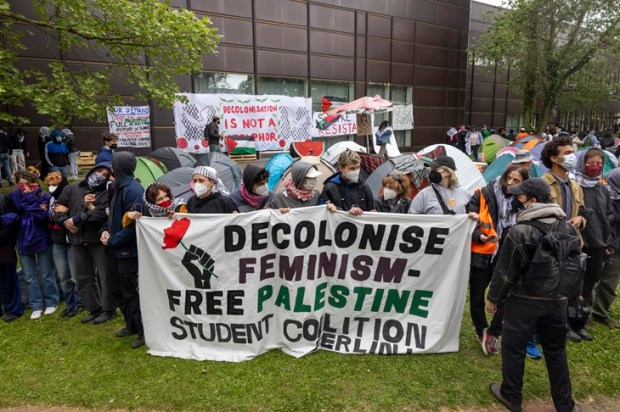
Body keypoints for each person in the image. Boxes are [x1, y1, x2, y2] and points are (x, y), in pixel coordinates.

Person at [486, 178, 580, 412]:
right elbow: (576, 264)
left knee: (514, 349)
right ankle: (565, 405)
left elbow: (506, 271)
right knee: (556, 351)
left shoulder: (520, 230)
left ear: (533, 200)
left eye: (520, 196)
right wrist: (574, 294)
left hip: (524, 301)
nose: (517, 200)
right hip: (558, 300)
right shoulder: (567, 227)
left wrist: (494, 299)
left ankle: (511, 396)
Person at [467, 165, 529, 356]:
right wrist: (480, 236)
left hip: (507, 256)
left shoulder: (524, 200)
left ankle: (493, 331)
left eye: (516, 181)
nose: (510, 183)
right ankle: (481, 330)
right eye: (508, 178)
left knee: (507, 295)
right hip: (482, 254)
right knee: (477, 295)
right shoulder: (483, 194)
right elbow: (469, 221)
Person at [54, 163, 114, 324]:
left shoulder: (107, 192)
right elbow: (58, 209)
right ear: (92, 171)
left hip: (97, 240)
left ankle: (109, 309)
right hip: (76, 240)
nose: (100, 176)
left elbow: (102, 215)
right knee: (82, 277)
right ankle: (94, 308)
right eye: (98, 171)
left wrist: (78, 218)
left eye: (105, 174)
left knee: (105, 276)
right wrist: (65, 222)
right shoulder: (72, 188)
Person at [100, 152, 145, 349]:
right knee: (117, 289)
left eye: (113, 164)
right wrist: (104, 231)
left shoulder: (133, 190)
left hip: (128, 251)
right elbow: (112, 217)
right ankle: (130, 324)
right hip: (115, 248)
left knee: (132, 292)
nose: (111, 167)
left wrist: (113, 240)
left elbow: (135, 225)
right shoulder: (117, 187)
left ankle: (142, 331)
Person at [568, 148, 613, 341]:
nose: (595, 167)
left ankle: (580, 322)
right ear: (582, 164)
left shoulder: (602, 189)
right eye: (591, 163)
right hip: (579, 243)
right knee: (573, 286)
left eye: (599, 164)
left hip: (598, 244)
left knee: (588, 286)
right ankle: (567, 322)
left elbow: (608, 215)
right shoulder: (574, 187)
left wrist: (607, 241)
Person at [6, 170, 59, 319]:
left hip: (42, 237)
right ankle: (36, 305)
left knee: (47, 273)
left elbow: (43, 217)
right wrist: (33, 208)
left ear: (33, 182)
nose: (24, 188)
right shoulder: (13, 195)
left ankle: (51, 301)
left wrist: (29, 201)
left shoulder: (44, 195)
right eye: (21, 184)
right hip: (23, 239)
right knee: (29, 275)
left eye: (27, 184)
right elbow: (11, 216)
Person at [46, 171, 83, 318]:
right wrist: (64, 218)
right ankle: (69, 303)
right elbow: (55, 214)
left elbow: (79, 213)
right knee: (63, 276)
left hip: (71, 240)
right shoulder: (52, 199)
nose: (52, 185)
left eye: (56, 181)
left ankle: (79, 302)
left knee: (75, 275)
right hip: (58, 240)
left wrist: (67, 212)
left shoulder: (74, 194)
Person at [592, 168, 620, 328]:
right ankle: (585, 314)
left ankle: (601, 313)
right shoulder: (604, 195)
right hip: (602, 242)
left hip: (618, 245)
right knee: (593, 279)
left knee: (610, 281)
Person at [540, 136, 586, 232]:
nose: (573, 157)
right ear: (554, 158)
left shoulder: (576, 186)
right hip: (550, 238)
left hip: (572, 238)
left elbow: (582, 211)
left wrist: (581, 219)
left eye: (572, 152)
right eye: (567, 153)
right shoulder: (541, 184)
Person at [408, 155, 475, 217]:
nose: (432, 171)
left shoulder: (464, 194)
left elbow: (472, 215)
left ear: (447, 172)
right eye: (432, 169)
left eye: (436, 169)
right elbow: (412, 217)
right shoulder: (424, 194)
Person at [319, 149, 375, 215]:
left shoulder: (364, 187)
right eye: (352, 168)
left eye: (358, 167)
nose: (356, 171)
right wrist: (346, 213)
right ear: (341, 168)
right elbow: (321, 210)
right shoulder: (330, 187)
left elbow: (371, 210)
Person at [0, 191, 24, 322]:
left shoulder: (4, 199)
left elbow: (13, 223)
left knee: (8, 279)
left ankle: (14, 308)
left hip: (4, 247)